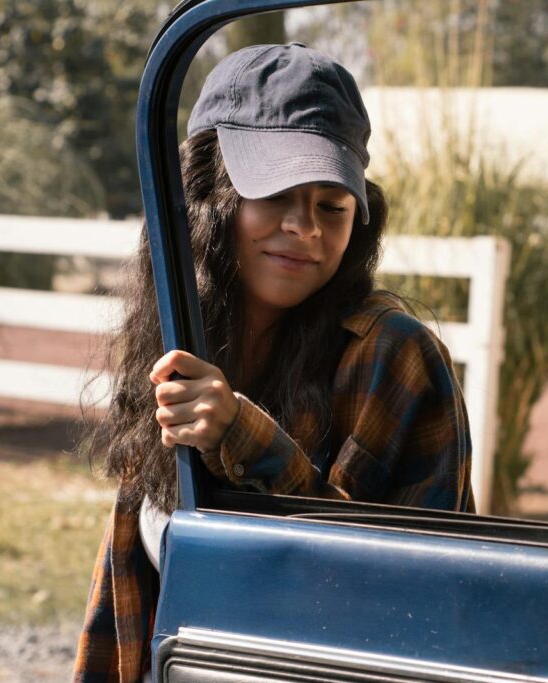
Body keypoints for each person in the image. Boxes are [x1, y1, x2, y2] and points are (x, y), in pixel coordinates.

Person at [73, 43, 474, 682]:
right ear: (206, 196)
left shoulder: (394, 356)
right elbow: (131, 591)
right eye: (276, 193)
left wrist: (242, 433)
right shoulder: (176, 334)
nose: (305, 227)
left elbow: (394, 603)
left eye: (331, 205)